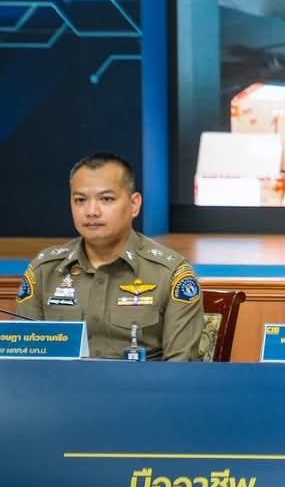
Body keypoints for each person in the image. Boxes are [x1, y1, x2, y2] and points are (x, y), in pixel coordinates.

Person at [14, 153, 203, 360]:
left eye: (106, 199)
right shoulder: (44, 270)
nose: (91, 211)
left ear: (134, 204)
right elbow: (25, 359)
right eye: (80, 200)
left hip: (142, 382)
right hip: (59, 382)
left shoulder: (170, 273)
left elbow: (181, 367)